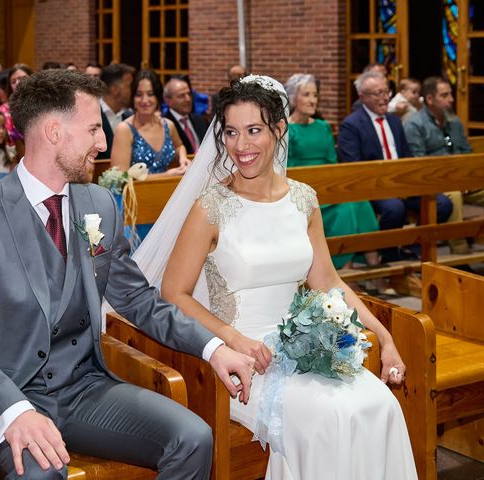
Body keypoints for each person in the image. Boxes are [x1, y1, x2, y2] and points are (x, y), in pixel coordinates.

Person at [0, 68, 255, 480]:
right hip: (9, 394)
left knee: (194, 437)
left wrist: (214, 348)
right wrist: (15, 410)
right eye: (92, 130)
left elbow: (139, 300)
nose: (103, 143)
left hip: (84, 389)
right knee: (41, 474)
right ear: (54, 132)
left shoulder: (98, 204)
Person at [133, 74, 417, 480]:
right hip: (241, 362)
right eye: (231, 132)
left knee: (381, 405)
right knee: (331, 417)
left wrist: (384, 336)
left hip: (307, 348)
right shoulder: (209, 207)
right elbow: (174, 293)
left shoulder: (303, 200)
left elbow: (330, 283)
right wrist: (231, 340)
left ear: (278, 130)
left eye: (254, 130)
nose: (241, 146)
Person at [338, 71, 452, 263]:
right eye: (377, 93)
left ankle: (411, 245)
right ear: (362, 97)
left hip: (403, 184)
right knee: (395, 208)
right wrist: (388, 184)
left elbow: (407, 156)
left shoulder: (394, 121)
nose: (384, 98)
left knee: (443, 204)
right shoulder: (351, 125)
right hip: (374, 187)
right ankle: (389, 257)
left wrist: (408, 181)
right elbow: (354, 168)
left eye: (386, 92)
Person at [284, 74, 385, 278]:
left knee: (361, 203)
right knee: (346, 209)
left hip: (327, 185)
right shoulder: (286, 129)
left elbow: (332, 163)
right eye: (306, 94)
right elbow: (289, 169)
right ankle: (344, 270)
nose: (313, 100)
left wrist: (334, 186)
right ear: (294, 98)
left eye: (315, 94)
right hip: (302, 192)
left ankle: (374, 267)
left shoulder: (323, 127)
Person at [404, 76, 476, 255]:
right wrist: (453, 181)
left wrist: (467, 178)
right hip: (435, 183)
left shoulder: (453, 120)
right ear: (429, 99)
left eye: (450, 94)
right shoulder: (415, 124)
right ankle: (460, 255)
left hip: (461, 179)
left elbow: (466, 151)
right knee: (455, 196)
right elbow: (419, 163)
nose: (451, 99)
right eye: (445, 95)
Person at [111, 70, 190, 177]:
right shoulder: (124, 129)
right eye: (139, 95)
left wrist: (183, 157)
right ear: (132, 98)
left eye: (150, 94)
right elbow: (120, 177)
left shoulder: (168, 125)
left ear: (158, 97)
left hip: (169, 190)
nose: (145, 100)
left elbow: (179, 146)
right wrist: (166, 175)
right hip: (135, 192)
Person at [164, 76, 209, 155]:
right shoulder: (164, 125)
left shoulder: (200, 120)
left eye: (189, 94)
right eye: (181, 96)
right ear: (168, 100)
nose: (188, 99)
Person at [98, 63, 135, 159]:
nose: (133, 91)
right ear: (115, 90)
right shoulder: (92, 115)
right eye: (129, 86)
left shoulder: (130, 116)